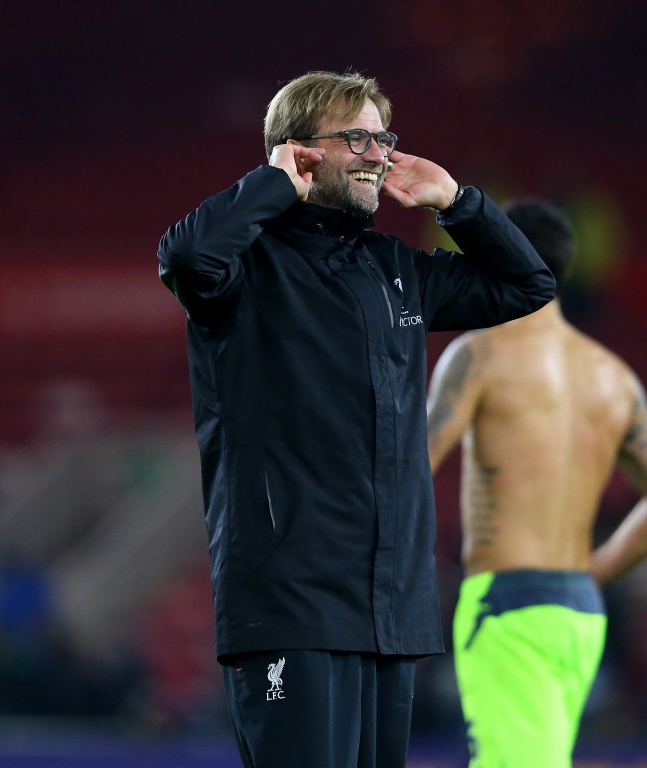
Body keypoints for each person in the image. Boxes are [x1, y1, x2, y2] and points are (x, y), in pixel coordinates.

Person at [156, 71, 555, 768]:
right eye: (358, 137)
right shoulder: (244, 268)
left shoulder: (392, 268)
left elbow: (527, 285)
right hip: (289, 606)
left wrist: (459, 204)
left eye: (383, 136)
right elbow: (185, 255)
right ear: (301, 152)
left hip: (389, 609)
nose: (379, 154)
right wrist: (274, 183)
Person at [426, 199, 647, 767]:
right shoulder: (613, 376)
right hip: (577, 611)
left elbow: (406, 469)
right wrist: (594, 573)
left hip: (507, 604)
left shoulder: (479, 355)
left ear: (496, 252)